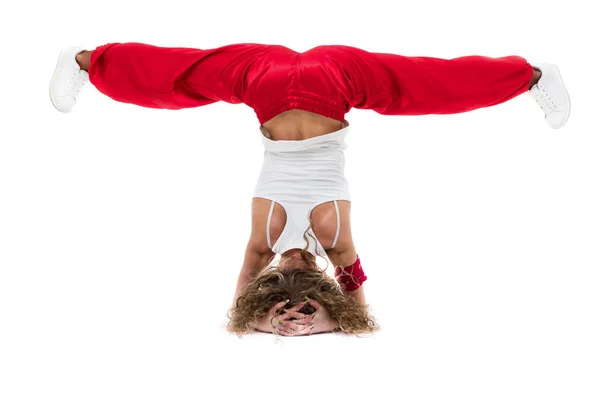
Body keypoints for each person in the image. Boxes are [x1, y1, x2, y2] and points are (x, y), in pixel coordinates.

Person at [49, 42, 571, 337]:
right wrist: (316, 321)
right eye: (304, 283)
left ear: (273, 277)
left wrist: (286, 322)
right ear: (321, 278)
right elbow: (358, 321)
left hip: (270, 81)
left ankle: (87, 61)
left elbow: (241, 314)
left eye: (280, 283)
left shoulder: (284, 242)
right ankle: (529, 76)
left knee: (181, 77)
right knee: (423, 85)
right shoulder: (329, 240)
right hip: (330, 80)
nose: (291, 263)